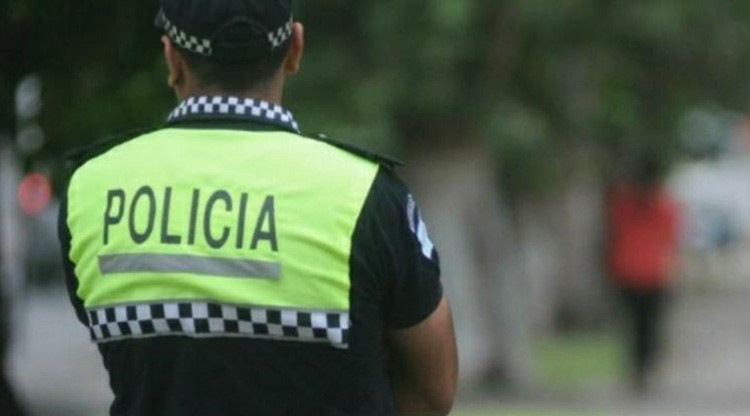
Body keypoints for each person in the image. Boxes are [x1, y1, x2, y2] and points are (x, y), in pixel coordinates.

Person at [57, 1, 457, 415]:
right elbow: (434, 391)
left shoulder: (91, 188)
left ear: (172, 58)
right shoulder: (366, 193)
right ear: (295, 49)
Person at [606, 156, 680, 392]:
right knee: (649, 324)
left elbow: (613, 231)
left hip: (629, 272)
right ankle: (644, 366)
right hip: (652, 273)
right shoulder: (664, 205)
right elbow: (671, 238)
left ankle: (638, 367)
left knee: (634, 324)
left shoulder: (623, 203)